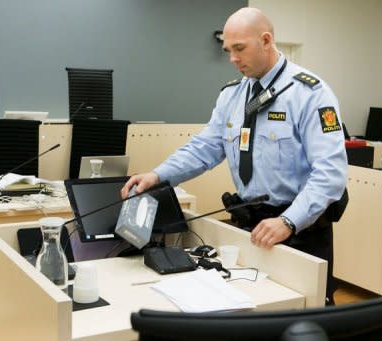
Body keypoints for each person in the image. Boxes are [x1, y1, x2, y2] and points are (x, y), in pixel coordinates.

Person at [122, 7, 347, 304]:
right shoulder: (233, 95)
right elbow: (204, 148)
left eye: (239, 48)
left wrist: (288, 221)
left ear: (266, 40)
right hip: (251, 229)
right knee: (255, 311)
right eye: (228, 50)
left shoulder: (310, 93)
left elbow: (330, 174)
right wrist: (158, 175)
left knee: (303, 320)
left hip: (300, 231)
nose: (232, 59)